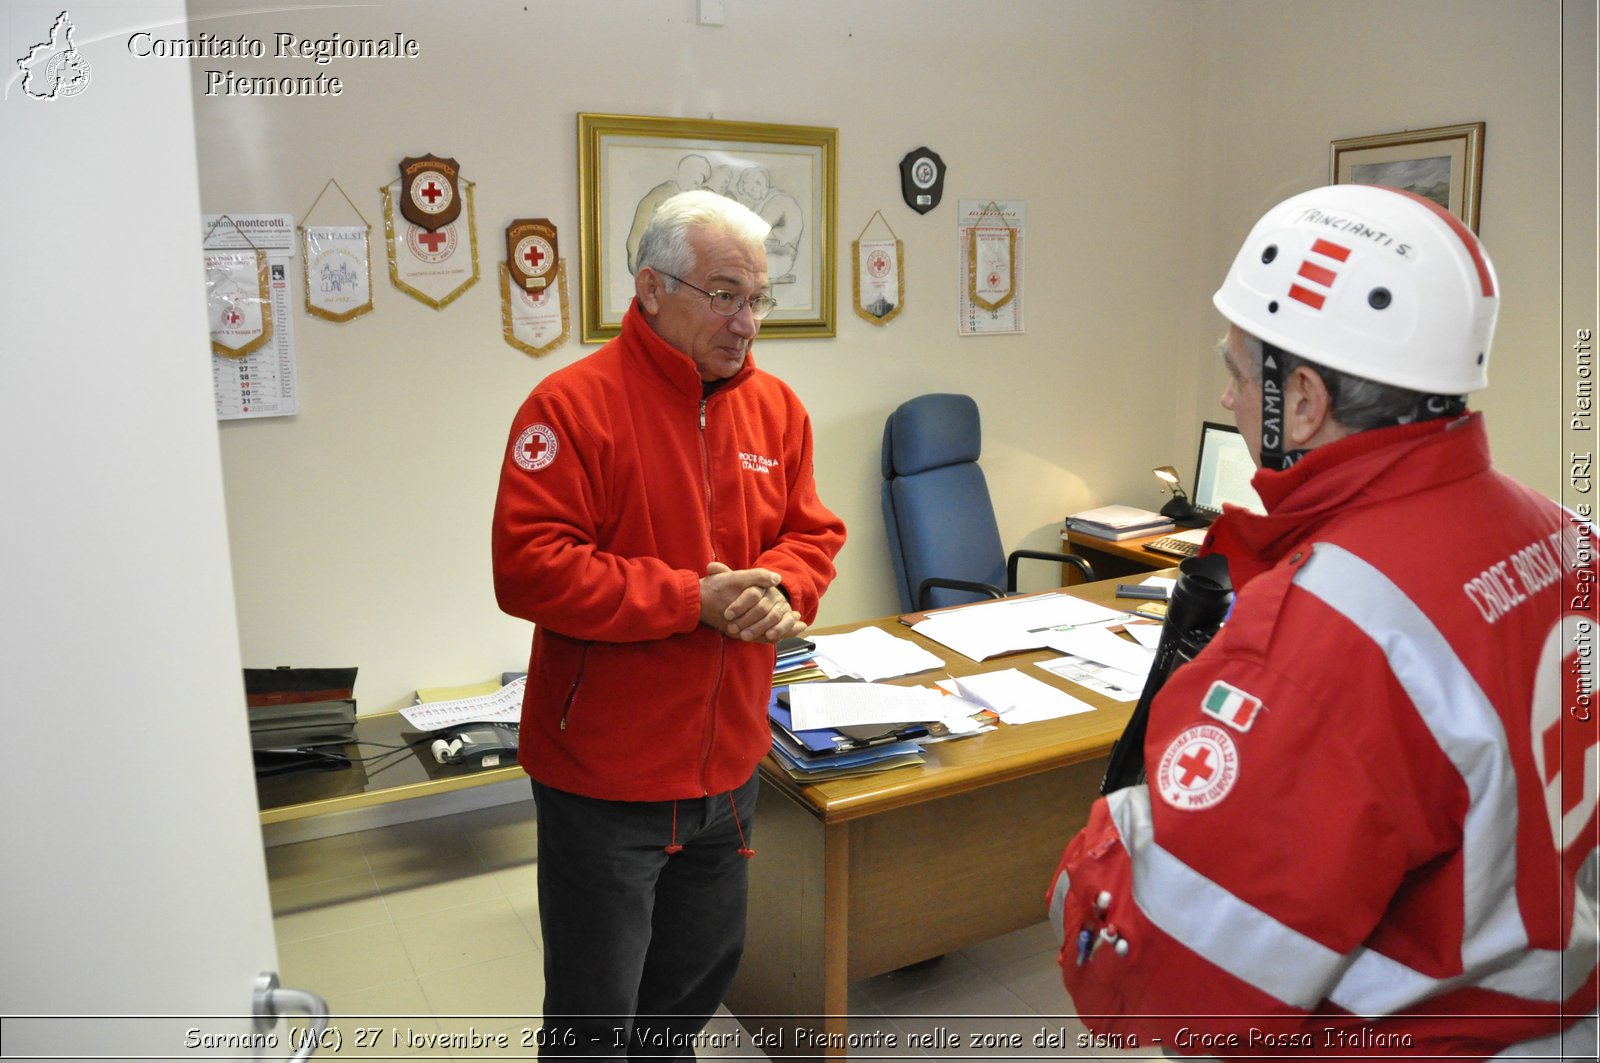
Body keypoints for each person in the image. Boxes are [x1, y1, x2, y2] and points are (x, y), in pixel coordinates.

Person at [1049, 183, 1598, 1059]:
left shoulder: (1329, 631)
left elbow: (1161, 986)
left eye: (1234, 372)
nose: (1227, 399)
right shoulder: (1566, 536)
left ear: (1300, 399)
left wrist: (1103, 852)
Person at [493, 189, 846, 1059]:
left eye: (758, 298)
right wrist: (691, 598)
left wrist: (784, 588)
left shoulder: (778, 410)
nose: (747, 323)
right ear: (651, 288)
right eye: (724, 295)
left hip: (728, 767)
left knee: (686, 997)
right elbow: (530, 565)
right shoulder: (569, 406)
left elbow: (810, 532)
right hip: (604, 781)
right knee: (593, 1017)